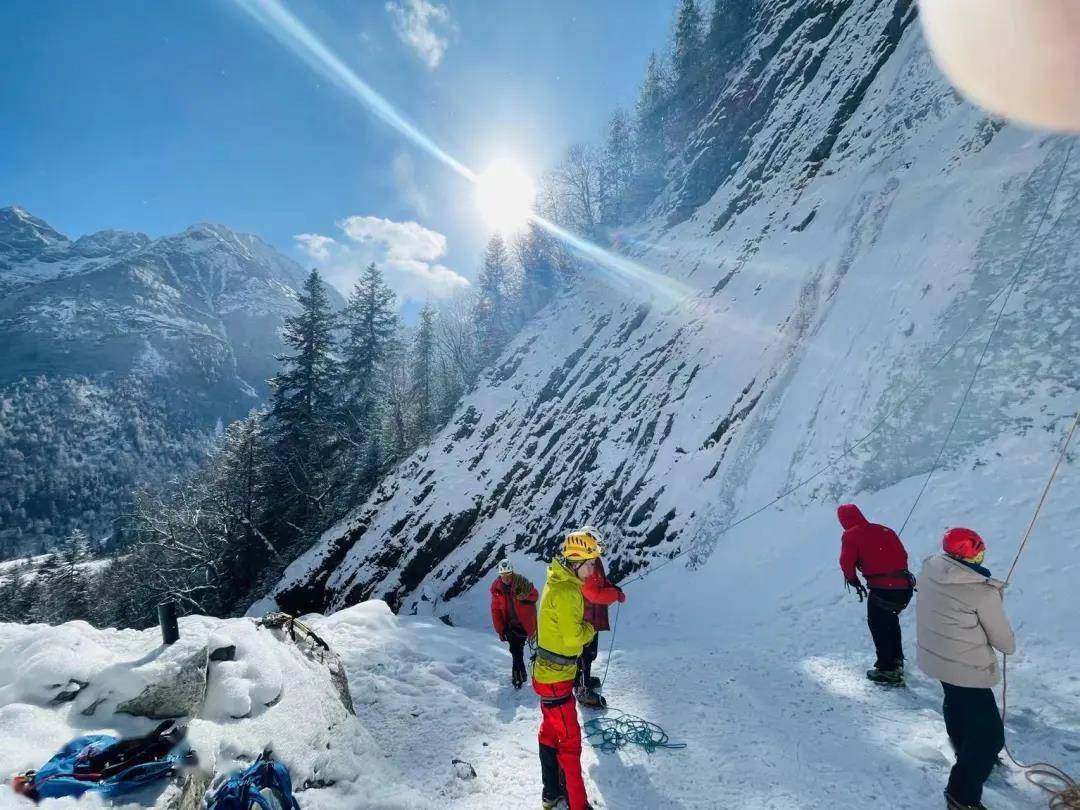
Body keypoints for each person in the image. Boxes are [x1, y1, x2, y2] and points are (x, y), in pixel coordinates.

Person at [917, 528, 1015, 810]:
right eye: (979, 553)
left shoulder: (931, 573)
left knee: (957, 704)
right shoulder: (981, 593)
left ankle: (964, 748)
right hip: (966, 666)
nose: (981, 557)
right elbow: (1004, 642)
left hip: (938, 660)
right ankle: (961, 796)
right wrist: (993, 598)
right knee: (990, 736)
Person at [533, 528, 603, 810]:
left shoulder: (558, 579)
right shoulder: (568, 593)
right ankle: (578, 805)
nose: (592, 571)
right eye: (589, 564)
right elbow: (574, 637)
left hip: (547, 676)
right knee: (570, 744)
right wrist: (589, 629)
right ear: (575, 562)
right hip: (557, 680)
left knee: (550, 732)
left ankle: (551, 793)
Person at [837, 503, 915, 685]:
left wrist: (854, 581)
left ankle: (888, 670)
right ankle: (896, 662)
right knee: (890, 622)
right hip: (904, 587)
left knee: (879, 626)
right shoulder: (885, 530)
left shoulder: (850, 535)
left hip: (883, 589)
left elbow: (846, 563)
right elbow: (903, 554)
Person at [576, 538, 625, 708]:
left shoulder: (593, 560)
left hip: (592, 615)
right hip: (586, 616)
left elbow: (601, 583)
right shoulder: (586, 563)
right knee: (586, 654)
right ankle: (583, 690)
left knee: (587, 653)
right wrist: (615, 595)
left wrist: (613, 588)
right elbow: (592, 593)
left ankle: (582, 681)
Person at [489, 559, 538, 689]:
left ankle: (519, 677)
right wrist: (500, 630)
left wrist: (523, 595)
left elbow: (535, 595)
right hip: (510, 625)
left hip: (524, 623)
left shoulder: (521, 582)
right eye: (503, 575)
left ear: (512, 572)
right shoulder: (496, 589)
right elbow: (496, 610)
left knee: (516, 650)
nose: (506, 577)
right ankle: (519, 677)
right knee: (516, 650)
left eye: (508, 574)